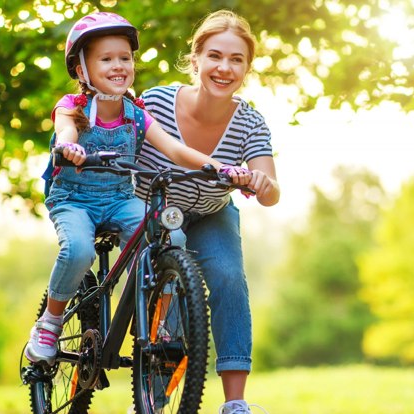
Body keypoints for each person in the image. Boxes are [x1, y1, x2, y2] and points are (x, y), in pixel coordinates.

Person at [24, 11, 251, 366]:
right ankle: (50, 322)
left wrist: (221, 168)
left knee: (169, 238)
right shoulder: (72, 108)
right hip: (75, 200)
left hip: (118, 199)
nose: (118, 66)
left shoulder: (137, 113)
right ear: (82, 70)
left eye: (125, 58)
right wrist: (69, 148)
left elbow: (176, 149)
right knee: (79, 251)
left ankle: (154, 316)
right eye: (106, 59)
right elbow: (66, 131)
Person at [136, 10, 280, 414]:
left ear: (247, 68)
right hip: (154, 209)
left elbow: (270, 188)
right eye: (215, 56)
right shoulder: (157, 102)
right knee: (167, 298)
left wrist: (263, 184)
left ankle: (235, 403)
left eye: (236, 59)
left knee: (230, 278)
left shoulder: (250, 122)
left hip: (211, 212)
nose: (224, 67)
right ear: (195, 59)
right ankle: (153, 396)